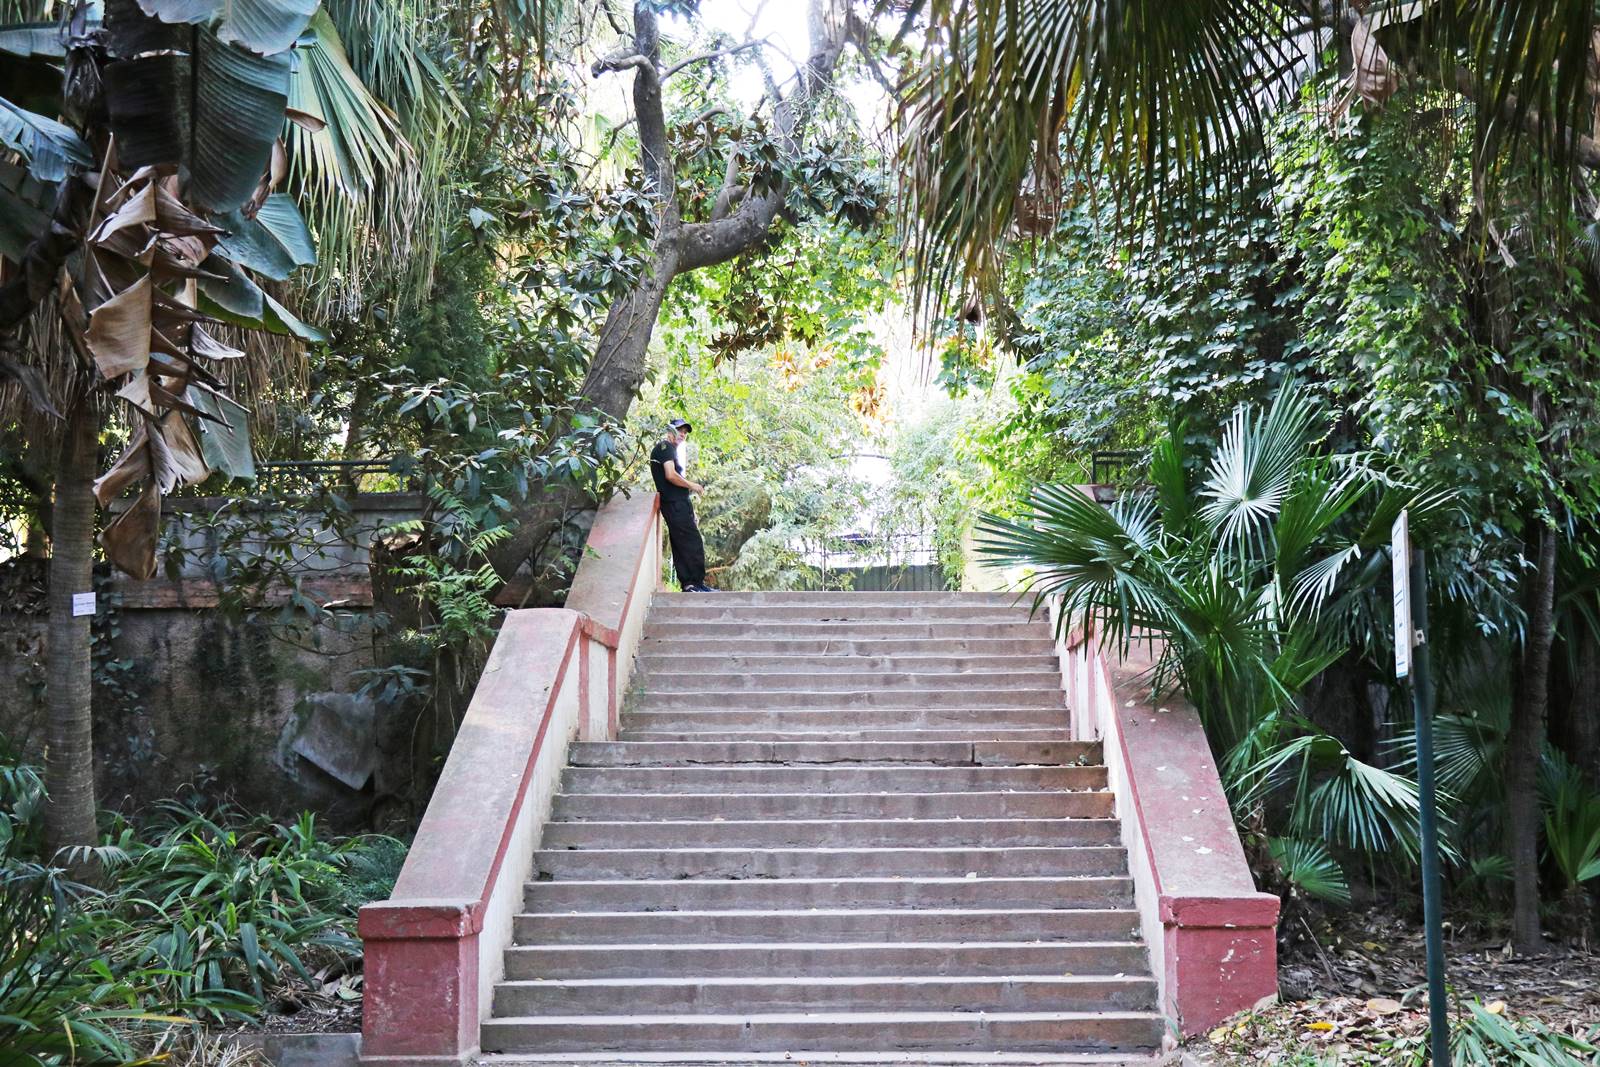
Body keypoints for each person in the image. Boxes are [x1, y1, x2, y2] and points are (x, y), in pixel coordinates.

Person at [649, 418, 713, 592]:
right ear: (670, 431)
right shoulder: (665, 447)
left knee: (683, 542)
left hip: (679, 504)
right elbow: (670, 475)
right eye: (680, 430)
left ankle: (692, 584)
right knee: (692, 543)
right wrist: (693, 485)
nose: (683, 435)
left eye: (685, 432)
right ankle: (693, 584)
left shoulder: (669, 449)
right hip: (674, 504)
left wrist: (690, 510)